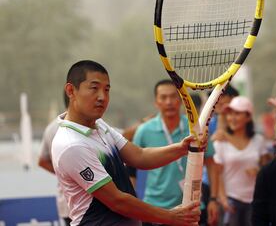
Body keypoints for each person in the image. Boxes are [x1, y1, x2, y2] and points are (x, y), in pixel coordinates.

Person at [51, 60, 201, 226]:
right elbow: (117, 201)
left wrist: (182, 148)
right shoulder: (71, 144)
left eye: (106, 90)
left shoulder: (100, 125)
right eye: (94, 88)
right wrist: (171, 217)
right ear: (71, 90)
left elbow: (139, 156)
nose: (102, 97)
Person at [132, 79, 219, 226]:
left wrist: (213, 199)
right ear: (156, 102)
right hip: (155, 210)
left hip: (191, 208)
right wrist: (133, 204)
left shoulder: (196, 128)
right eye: (163, 97)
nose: (169, 102)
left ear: (182, 100)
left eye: (173, 96)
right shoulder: (144, 130)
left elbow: (211, 163)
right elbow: (130, 168)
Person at [214, 96, 268, 226]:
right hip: (231, 200)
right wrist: (223, 198)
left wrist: (258, 171)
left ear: (248, 117)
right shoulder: (220, 142)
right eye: (230, 113)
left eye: (237, 113)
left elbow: (266, 168)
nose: (232, 118)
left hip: (255, 200)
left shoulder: (258, 140)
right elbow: (217, 172)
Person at [38, 92, 71, 225]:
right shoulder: (91, 127)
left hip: (68, 204)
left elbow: (42, 161)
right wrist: (68, 176)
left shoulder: (51, 128)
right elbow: (42, 161)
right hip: (79, 206)